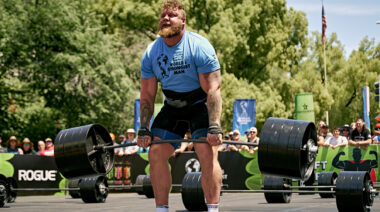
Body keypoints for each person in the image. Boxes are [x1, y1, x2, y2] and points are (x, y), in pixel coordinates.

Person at [137, 1, 223, 211]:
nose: (165, 18)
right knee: (155, 153)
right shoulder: (151, 52)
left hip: (199, 103)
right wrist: (144, 128)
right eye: (163, 15)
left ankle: (212, 208)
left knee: (206, 150)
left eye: (172, 15)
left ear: (183, 21)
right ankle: (161, 209)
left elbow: (213, 89)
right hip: (172, 106)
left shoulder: (199, 46)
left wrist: (214, 126)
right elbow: (147, 95)